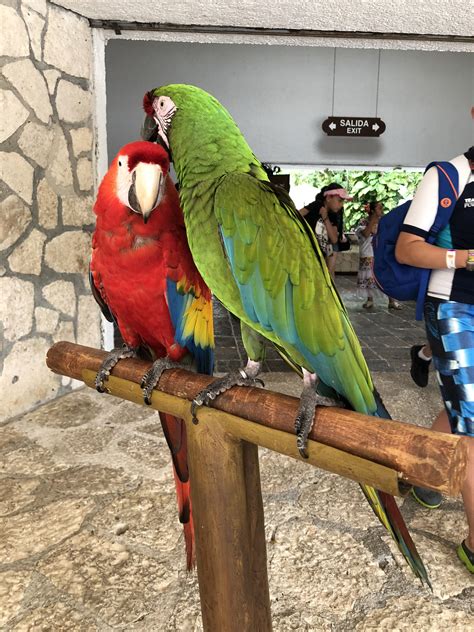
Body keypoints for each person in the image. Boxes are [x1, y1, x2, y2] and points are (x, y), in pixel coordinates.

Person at [395, 145, 474, 573]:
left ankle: (424, 479)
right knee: (473, 424)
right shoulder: (449, 177)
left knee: (462, 406)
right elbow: (408, 249)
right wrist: (468, 258)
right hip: (455, 309)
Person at [355, 200, 402, 310]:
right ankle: (370, 300)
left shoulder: (384, 221)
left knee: (387, 276)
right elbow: (366, 234)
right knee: (369, 277)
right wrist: (373, 220)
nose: (381, 210)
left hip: (382, 252)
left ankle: (392, 301)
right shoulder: (363, 222)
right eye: (379, 208)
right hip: (368, 252)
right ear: (372, 210)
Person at [299, 183, 352, 279]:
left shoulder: (333, 215)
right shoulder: (316, 205)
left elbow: (334, 239)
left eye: (343, 202)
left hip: (324, 252)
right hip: (307, 250)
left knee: (326, 275)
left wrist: (325, 218)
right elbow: (297, 215)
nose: (341, 205)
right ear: (328, 198)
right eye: (339, 201)